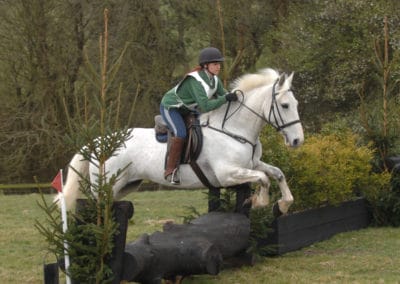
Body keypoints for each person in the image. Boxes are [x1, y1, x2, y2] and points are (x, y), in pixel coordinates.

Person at [160, 47, 238, 184]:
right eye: (215, 64)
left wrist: (235, 97)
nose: (218, 66)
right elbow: (206, 106)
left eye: (219, 64)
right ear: (205, 66)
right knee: (181, 133)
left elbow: (223, 95)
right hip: (171, 107)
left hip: (187, 109)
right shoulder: (194, 80)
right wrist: (226, 98)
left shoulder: (214, 80)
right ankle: (170, 171)